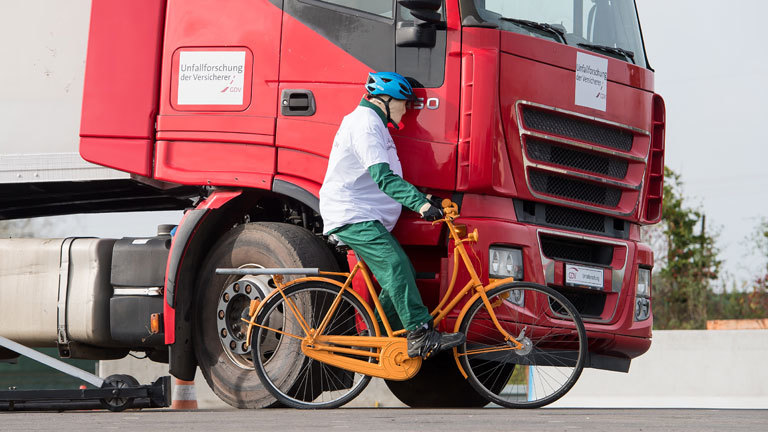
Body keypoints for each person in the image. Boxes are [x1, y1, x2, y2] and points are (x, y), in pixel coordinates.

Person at [319, 72, 464, 359]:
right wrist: (421, 207)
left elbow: (388, 178)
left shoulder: (376, 125)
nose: (406, 109)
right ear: (385, 99)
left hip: (364, 213)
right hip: (352, 213)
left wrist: (427, 199)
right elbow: (383, 178)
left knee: (402, 270)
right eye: (404, 103)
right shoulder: (364, 124)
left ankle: (377, 338)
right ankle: (419, 334)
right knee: (396, 266)